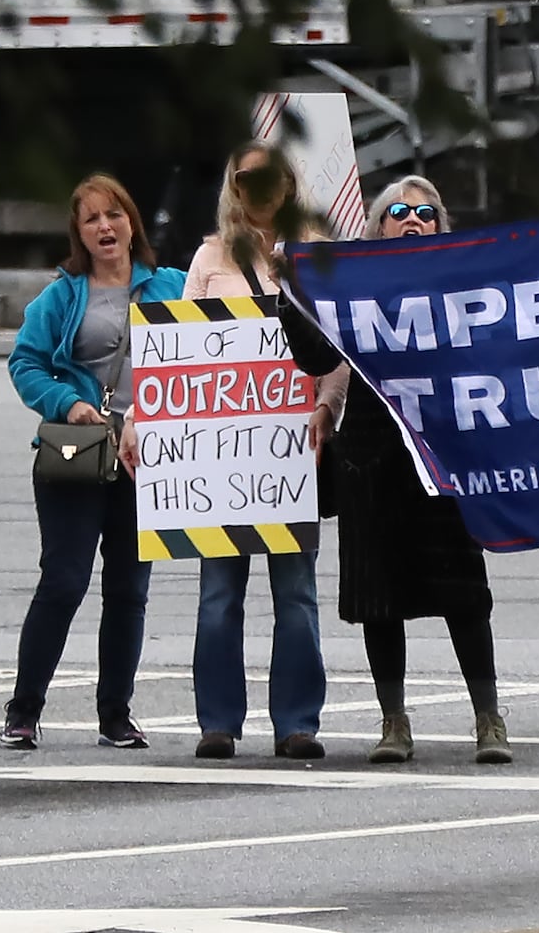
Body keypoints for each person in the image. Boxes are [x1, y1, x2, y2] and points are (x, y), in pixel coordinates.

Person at [278, 175, 512, 766]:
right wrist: (290, 289)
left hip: (442, 451)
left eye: (427, 213)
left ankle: (488, 718)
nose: (414, 220)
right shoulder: (350, 288)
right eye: (400, 212)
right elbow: (318, 356)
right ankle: (394, 722)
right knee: (378, 594)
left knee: (464, 591)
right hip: (370, 452)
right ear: (378, 226)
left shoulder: (462, 283)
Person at [1, 173, 186, 750]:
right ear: (78, 233)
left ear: (132, 222)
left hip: (145, 459)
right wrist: (69, 402)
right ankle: (24, 708)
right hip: (76, 457)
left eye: (115, 215)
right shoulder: (61, 294)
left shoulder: (175, 286)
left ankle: (116, 715)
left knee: (129, 590)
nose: (105, 226)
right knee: (64, 581)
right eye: (91, 219)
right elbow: (25, 364)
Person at [179, 141, 345, 761]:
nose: (260, 188)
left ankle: (297, 722)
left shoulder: (314, 256)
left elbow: (336, 351)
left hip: (293, 450)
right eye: (248, 178)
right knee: (219, 593)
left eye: (271, 176)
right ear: (233, 185)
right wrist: (148, 419)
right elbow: (179, 354)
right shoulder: (208, 258)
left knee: (296, 594)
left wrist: (327, 409)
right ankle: (217, 721)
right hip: (221, 459)